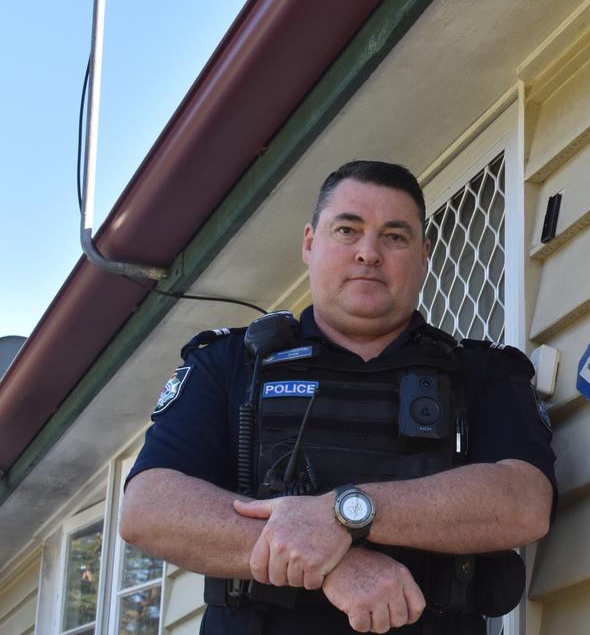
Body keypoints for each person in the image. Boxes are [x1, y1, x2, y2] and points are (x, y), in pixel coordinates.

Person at [120, 161, 556, 635]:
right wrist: (333, 564)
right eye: (348, 229)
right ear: (310, 242)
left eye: (395, 236)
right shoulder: (231, 365)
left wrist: (346, 513)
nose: (369, 253)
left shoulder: (482, 371)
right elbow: (150, 507)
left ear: (424, 254)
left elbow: (524, 503)